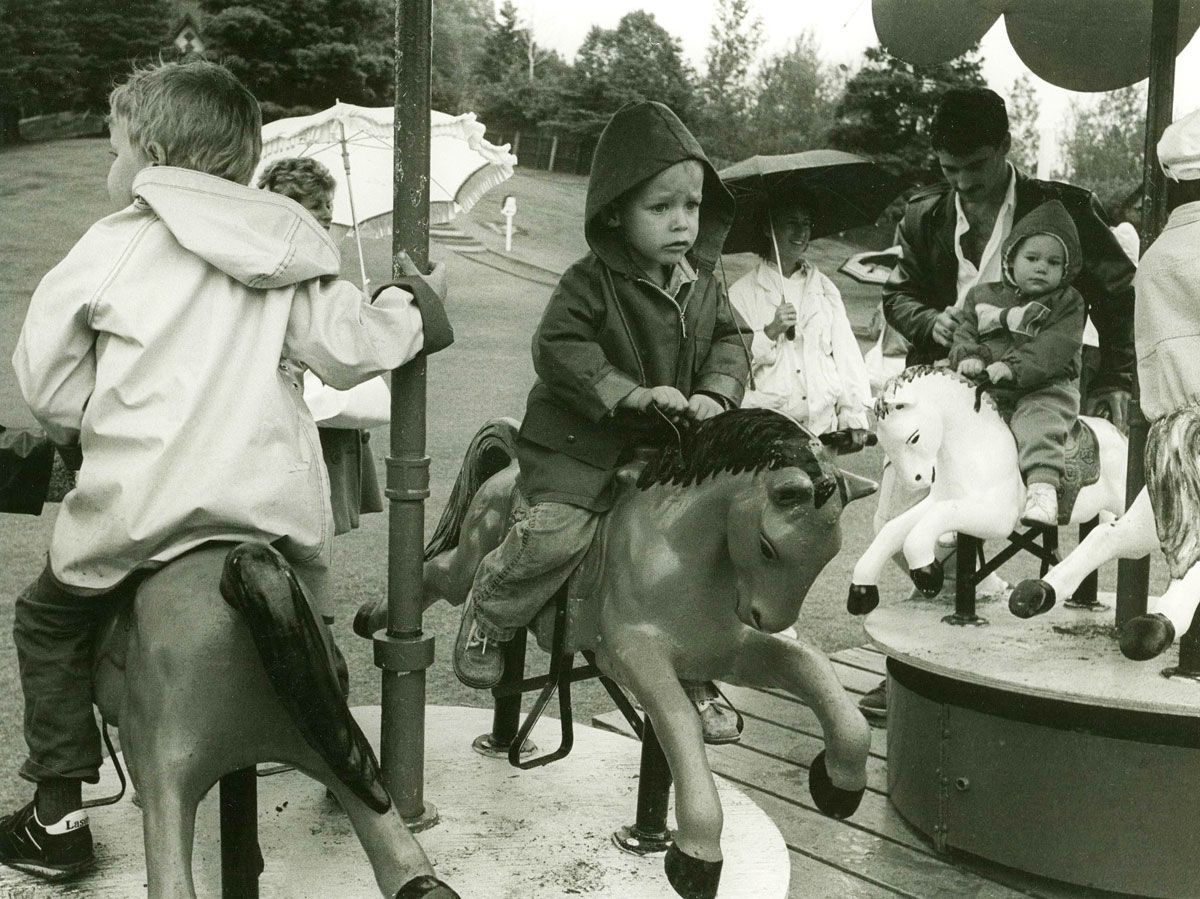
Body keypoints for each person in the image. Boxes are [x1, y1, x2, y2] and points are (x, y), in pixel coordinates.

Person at [1, 60, 450, 880]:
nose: (112, 171)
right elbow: (355, 347)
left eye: (115, 152)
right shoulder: (284, 244)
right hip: (267, 515)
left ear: (151, 155)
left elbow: (47, 383)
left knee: (46, 619)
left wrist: (96, 415)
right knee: (307, 607)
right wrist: (412, 302)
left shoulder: (111, 245)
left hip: (138, 516)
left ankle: (57, 813)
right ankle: (324, 728)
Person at [451, 99, 750, 742]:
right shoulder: (589, 282)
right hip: (579, 444)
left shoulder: (704, 281)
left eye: (692, 205)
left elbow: (731, 340)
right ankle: (491, 612)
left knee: (710, 539)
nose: (681, 222)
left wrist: (716, 394)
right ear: (616, 211)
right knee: (555, 534)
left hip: (668, 446)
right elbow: (558, 346)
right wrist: (628, 394)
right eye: (660, 207)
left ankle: (695, 662)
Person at [861, 86, 1136, 721]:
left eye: (975, 167)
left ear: (1006, 147)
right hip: (949, 385)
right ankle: (931, 653)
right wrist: (930, 322)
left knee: (985, 507)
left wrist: (1116, 379)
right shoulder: (923, 216)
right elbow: (897, 294)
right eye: (948, 169)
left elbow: (1120, 292)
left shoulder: (1063, 209)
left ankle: (952, 643)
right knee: (897, 518)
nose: (962, 184)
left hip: (1037, 385)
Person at [256, 157, 388, 539]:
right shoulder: (281, 262)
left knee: (318, 522)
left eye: (330, 203)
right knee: (300, 520)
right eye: (316, 205)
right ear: (289, 208)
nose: (328, 212)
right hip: (302, 408)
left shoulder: (317, 257)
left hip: (328, 412)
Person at [948, 200, 1086, 526]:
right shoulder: (982, 295)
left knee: (1038, 420)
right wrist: (970, 357)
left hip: (1045, 386)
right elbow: (965, 331)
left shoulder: (1068, 302)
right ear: (1011, 258)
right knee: (956, 420)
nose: (1042, 267)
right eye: (1032, 258)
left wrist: (1013, 366)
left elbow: (1054, 347)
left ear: (1065, 269)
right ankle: (953, 497)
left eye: (1053, 262)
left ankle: (1042, 489)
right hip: (991, 385)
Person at [727, 192, 872, 443]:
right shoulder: (741, 293)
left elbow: (846, 353)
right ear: (768, 229)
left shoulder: (824, 289)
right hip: (766, 432)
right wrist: (770, 332)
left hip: (821, 430)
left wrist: (853, 416)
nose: (801, 232)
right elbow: (730, 365)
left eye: (806, 224)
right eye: (791, 223)